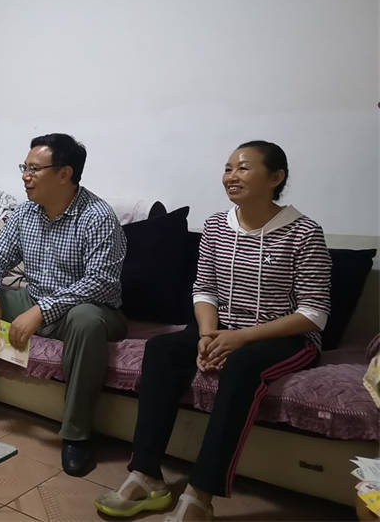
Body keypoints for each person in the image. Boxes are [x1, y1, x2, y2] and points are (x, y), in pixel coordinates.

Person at [94, 141, 331, 521]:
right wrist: (206, 336)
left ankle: (201, 494)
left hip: (284, 337)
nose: (231, 176)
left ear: (276, 177)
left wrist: (240, 339)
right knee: (161, 350)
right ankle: (146, 474)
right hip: (221, 328)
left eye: (243, 168)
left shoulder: (304, 233)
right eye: (227, 168)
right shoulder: (218, 226)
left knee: (241, 365)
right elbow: (204, 289)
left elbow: (313, 313)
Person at [0, 133, 128, 477]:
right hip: (35, 298)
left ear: (64, 174)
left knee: (85, 321)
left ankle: (76, 434)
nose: (25, 176)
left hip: (91, 308)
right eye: (24, 167)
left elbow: (100, 282)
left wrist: (42, 311)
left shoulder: (97, 216)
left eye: (34, 169)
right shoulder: (25, 213)